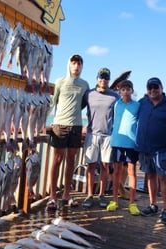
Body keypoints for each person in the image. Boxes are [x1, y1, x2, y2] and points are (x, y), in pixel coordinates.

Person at [47, 54, 90, 211]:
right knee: (57, 160)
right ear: (69, 64)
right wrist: (42, 121)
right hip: (60, 125)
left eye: (79, 63)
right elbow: (53, 102)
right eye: (74, 63)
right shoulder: (60, 82)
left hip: (77, 126)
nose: (76, 66)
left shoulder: (85, 85)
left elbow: (85, 104)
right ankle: (52, 196)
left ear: (82, 66)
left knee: (71, 160)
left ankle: (66, 194)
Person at [136, 77, 166, 224]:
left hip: (163, 149)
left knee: (164, 179)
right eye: (150, 88)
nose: (153, 90)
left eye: (155, 87)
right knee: (150, 176)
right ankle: (153, 205)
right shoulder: (142, 102)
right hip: (145, 147)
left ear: (161, 88)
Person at [82, 67, 119, 208]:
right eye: (101, 77)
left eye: (106, 77)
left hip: (108, 136)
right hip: (92, 134)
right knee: (90, 166)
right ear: (97, 78)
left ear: (109, 80)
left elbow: (120, 114)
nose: (103, 80)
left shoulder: (115, 96)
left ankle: (102, 195)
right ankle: (89, 195)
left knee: (105, 166)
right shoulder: (89, 94)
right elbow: (76, 107)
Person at [106, 80, 140, 214]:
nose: (126, 91)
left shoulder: (138, 105)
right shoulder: (116, 104)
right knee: (117, 172)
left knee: (132, 172)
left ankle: (132, 203)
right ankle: (114, 200)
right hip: (117, 142)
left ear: (132, 90)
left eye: (128, 89)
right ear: (119, 92)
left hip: (131, 143)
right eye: (123, 89)